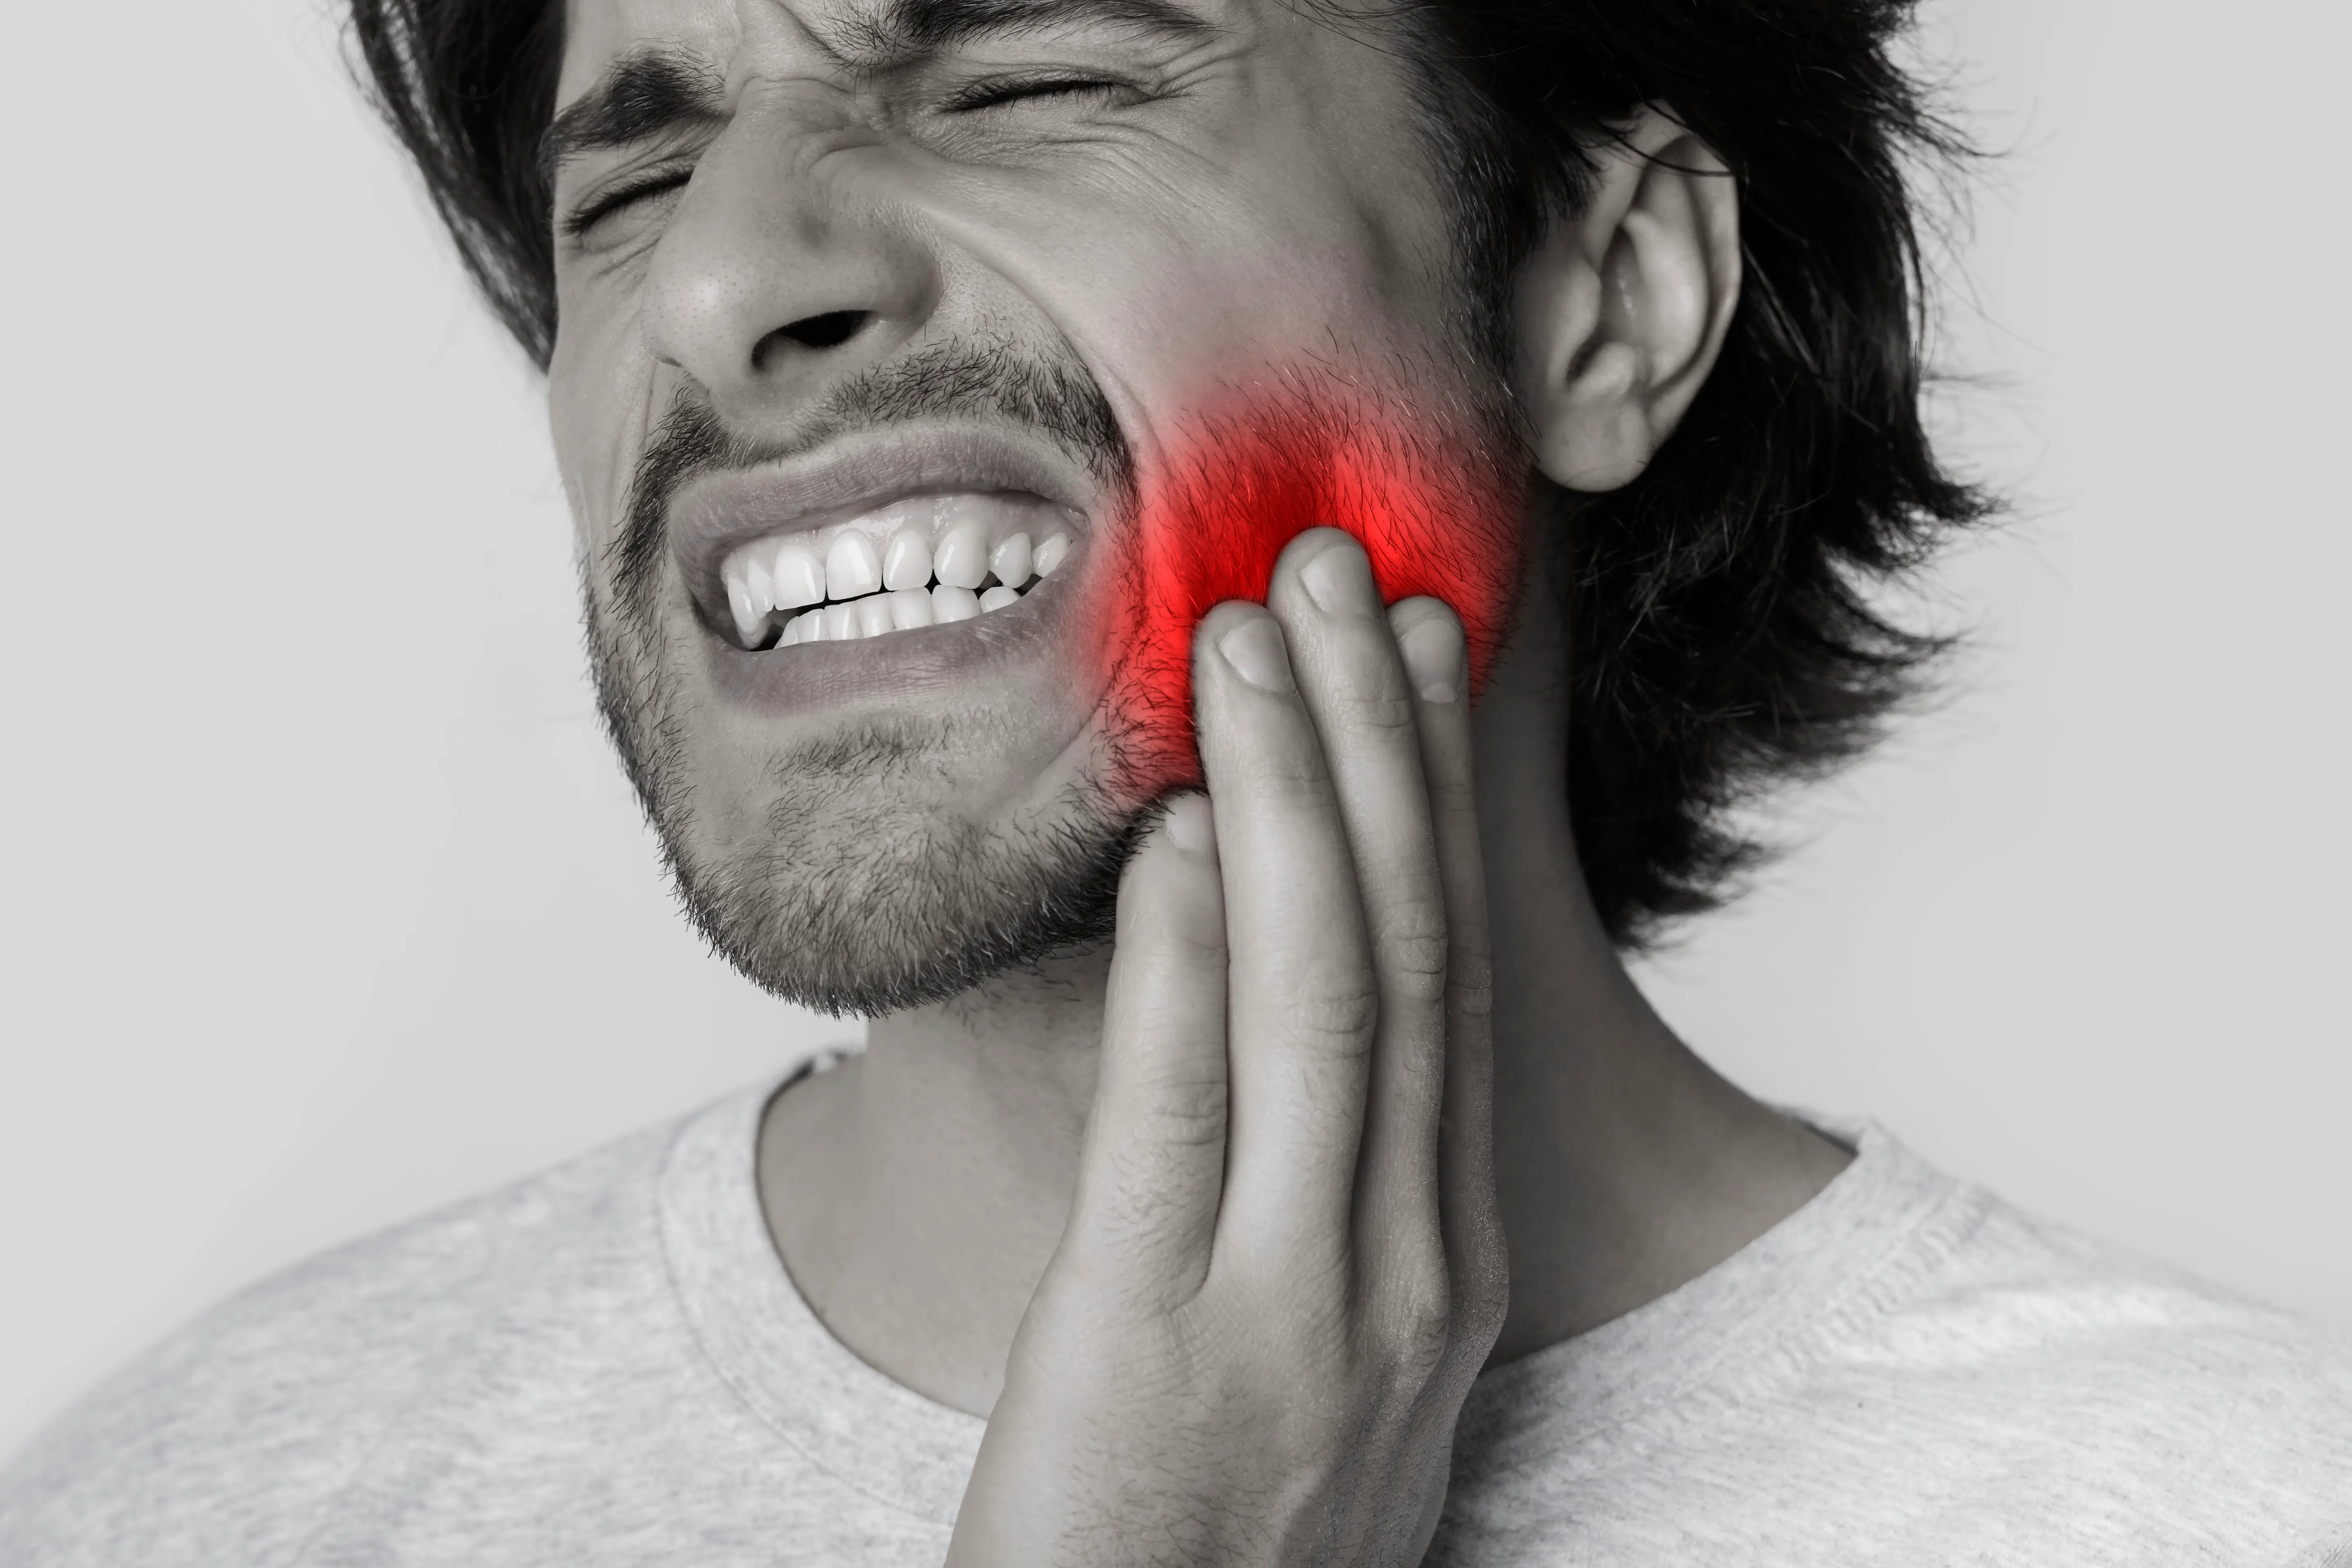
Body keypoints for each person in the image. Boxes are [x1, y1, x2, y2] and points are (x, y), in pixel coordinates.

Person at [5, 0, 2349, 1558]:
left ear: (1603, 295)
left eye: (1021, 70)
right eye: (628, 188)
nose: (722, 286)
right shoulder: (195, 1511)